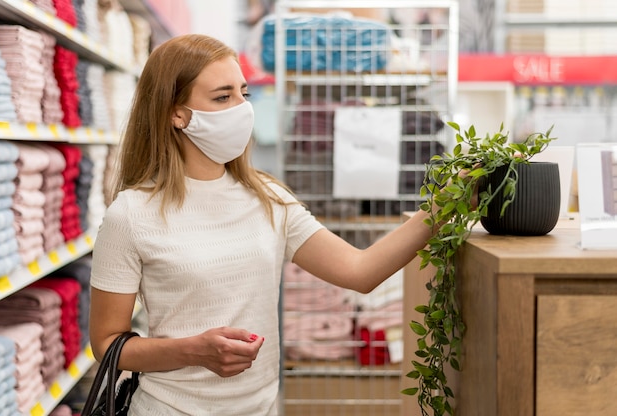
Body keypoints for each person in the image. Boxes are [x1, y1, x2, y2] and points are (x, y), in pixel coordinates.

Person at [88, 33, 447, 415]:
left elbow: (360, 271)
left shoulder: (269, 198)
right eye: (223, 97)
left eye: (244, 94)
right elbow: (107, 343)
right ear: (176, 113)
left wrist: (445, 205)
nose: (242, 109)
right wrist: (193, 350)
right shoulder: (130, 214)